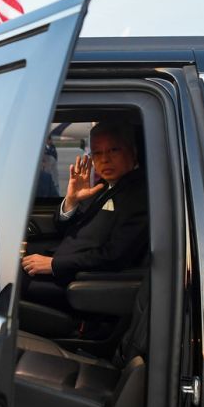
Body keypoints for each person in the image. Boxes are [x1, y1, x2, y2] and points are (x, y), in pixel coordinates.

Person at [19, 120, 148, 311]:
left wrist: (54, 264)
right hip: (67, 269)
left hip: (84, 282)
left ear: (133, 152)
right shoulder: (102, 187)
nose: (105, 159)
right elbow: (64, 228)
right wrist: (71, 201)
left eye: (113, 150)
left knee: (9, 284)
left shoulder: (139, 196)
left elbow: (114, 256)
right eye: (97, 153)